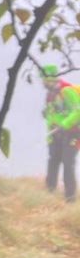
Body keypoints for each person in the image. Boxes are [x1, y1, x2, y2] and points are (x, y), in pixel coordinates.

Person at [42, 64, 78, 202]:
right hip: (55, 134)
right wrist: (50, 136)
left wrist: (64, 124)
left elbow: (78, 111)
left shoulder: (67, 91)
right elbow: (51, 116)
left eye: (44, 80)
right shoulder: (50, 95)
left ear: (50, 79)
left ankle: (70, 200)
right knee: (53, 161)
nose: (43, 83)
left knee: (68, 164)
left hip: (72, 134)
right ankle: (49, 193)